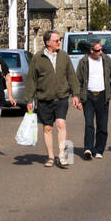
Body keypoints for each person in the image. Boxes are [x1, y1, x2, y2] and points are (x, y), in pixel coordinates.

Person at [25, 29, 81, 169]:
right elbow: (31, 80)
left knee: (61, 124)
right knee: (48, 128)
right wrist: (29, 100)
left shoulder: (64, 56)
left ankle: (62, 155)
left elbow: (71, 76)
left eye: (59, 40)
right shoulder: (37, 58)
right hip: (44, 98)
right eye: (56, 40)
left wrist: (75, 95)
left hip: (61, 97)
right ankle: (50, 156)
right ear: (47, 42)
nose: (59, 42)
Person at [75, 37, 111, 160]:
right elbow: (78, 81)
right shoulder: (84, 62)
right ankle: (88, 148)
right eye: (98, 50)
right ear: (91, 51)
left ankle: (99, 149)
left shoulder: (106, 60)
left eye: (101, 49)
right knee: (89, 123)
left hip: (102, 95)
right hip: (88, 96)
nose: (100, 52)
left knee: (102, 126)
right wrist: (78, 97)